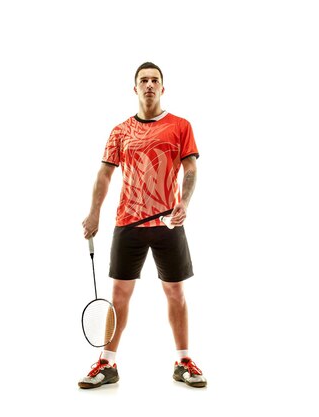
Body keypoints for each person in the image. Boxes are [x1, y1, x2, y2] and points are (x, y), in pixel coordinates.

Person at [78, 62, 207, 389]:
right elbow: (104, 175)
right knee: (119, 294)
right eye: (143, 80)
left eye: (155, 80)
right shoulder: (120, 131)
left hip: (168, 222)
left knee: (175, 292)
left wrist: (185, 203)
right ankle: (107, 364)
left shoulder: (180, 126)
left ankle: (183, 359)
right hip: (128, 223)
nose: (149, 85)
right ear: (135, 88)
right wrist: (94, 213)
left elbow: (190, 169)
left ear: (162, 88)